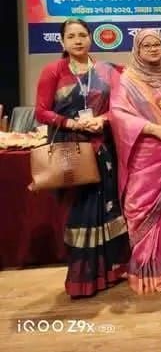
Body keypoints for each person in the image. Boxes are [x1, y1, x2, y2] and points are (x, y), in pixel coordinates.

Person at [35, 19, 130, 298]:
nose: (77, 41)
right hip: (72, 153)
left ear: (90, 38)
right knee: (80, 212)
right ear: (62, 42)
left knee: (109, 208)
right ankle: (83, 279)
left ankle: (111, 272)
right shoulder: (53, 71)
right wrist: (71, 123)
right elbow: (41, 111)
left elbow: (120, 107)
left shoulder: (106, 70)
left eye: (82, 35)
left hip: (103, 150)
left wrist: (103, 119)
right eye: (71, 36)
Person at [110, 29, 161, 294]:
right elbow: (119, 115)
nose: (154, 49)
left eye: (158, 44)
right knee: (141, 208)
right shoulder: (127, 80)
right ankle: (145, 272)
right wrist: (155, 130)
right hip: (144, 153)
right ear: (137, 49)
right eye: (147, 45)